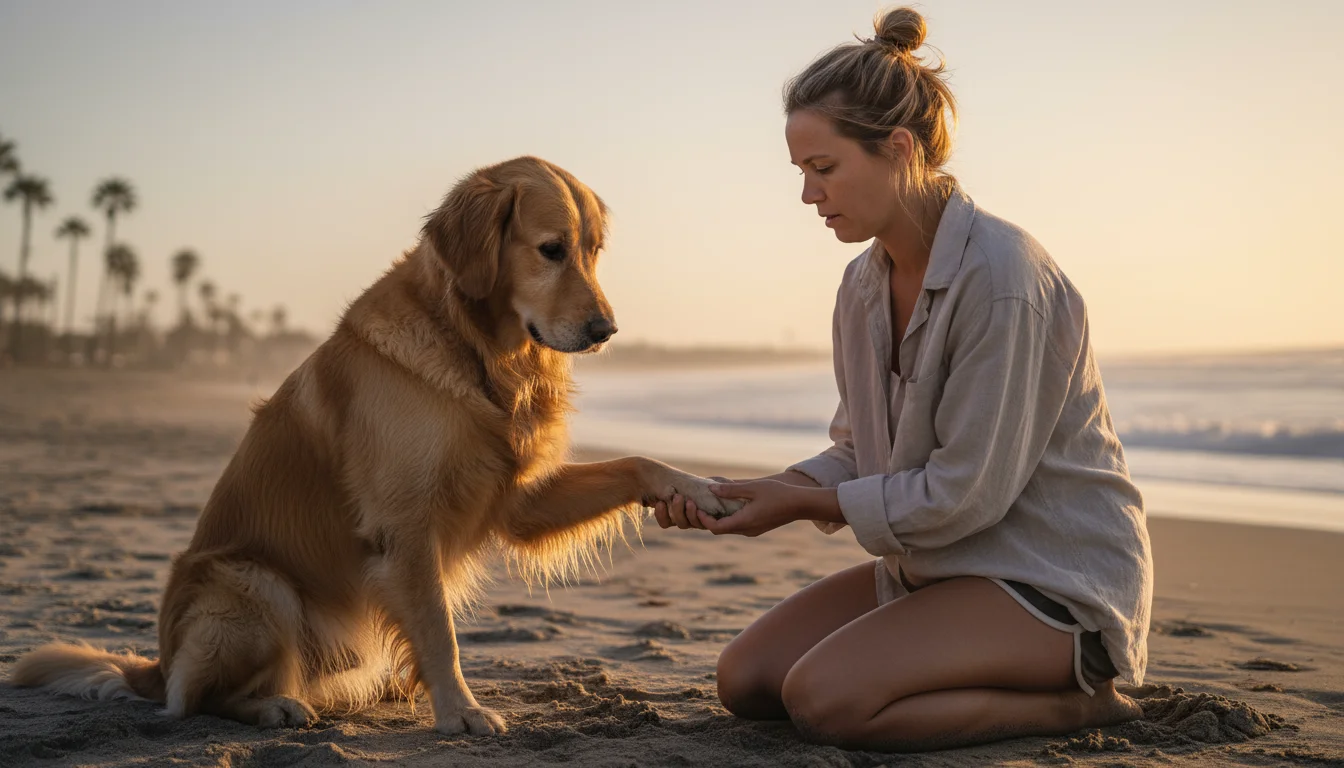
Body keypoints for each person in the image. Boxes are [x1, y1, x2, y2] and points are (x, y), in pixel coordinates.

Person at [652, 6, 1153, 752]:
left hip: (1048, 584)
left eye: (824, 169)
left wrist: (799, 506)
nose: (808, 195)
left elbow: (964, 493)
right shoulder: (861, 287)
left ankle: (1079, 705)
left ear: (898, 148)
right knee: (748, 680)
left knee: (827, 703)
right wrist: (760, 490)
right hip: (936, 571)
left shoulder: (1004, 278)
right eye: (801, 172)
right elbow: (861, 449)